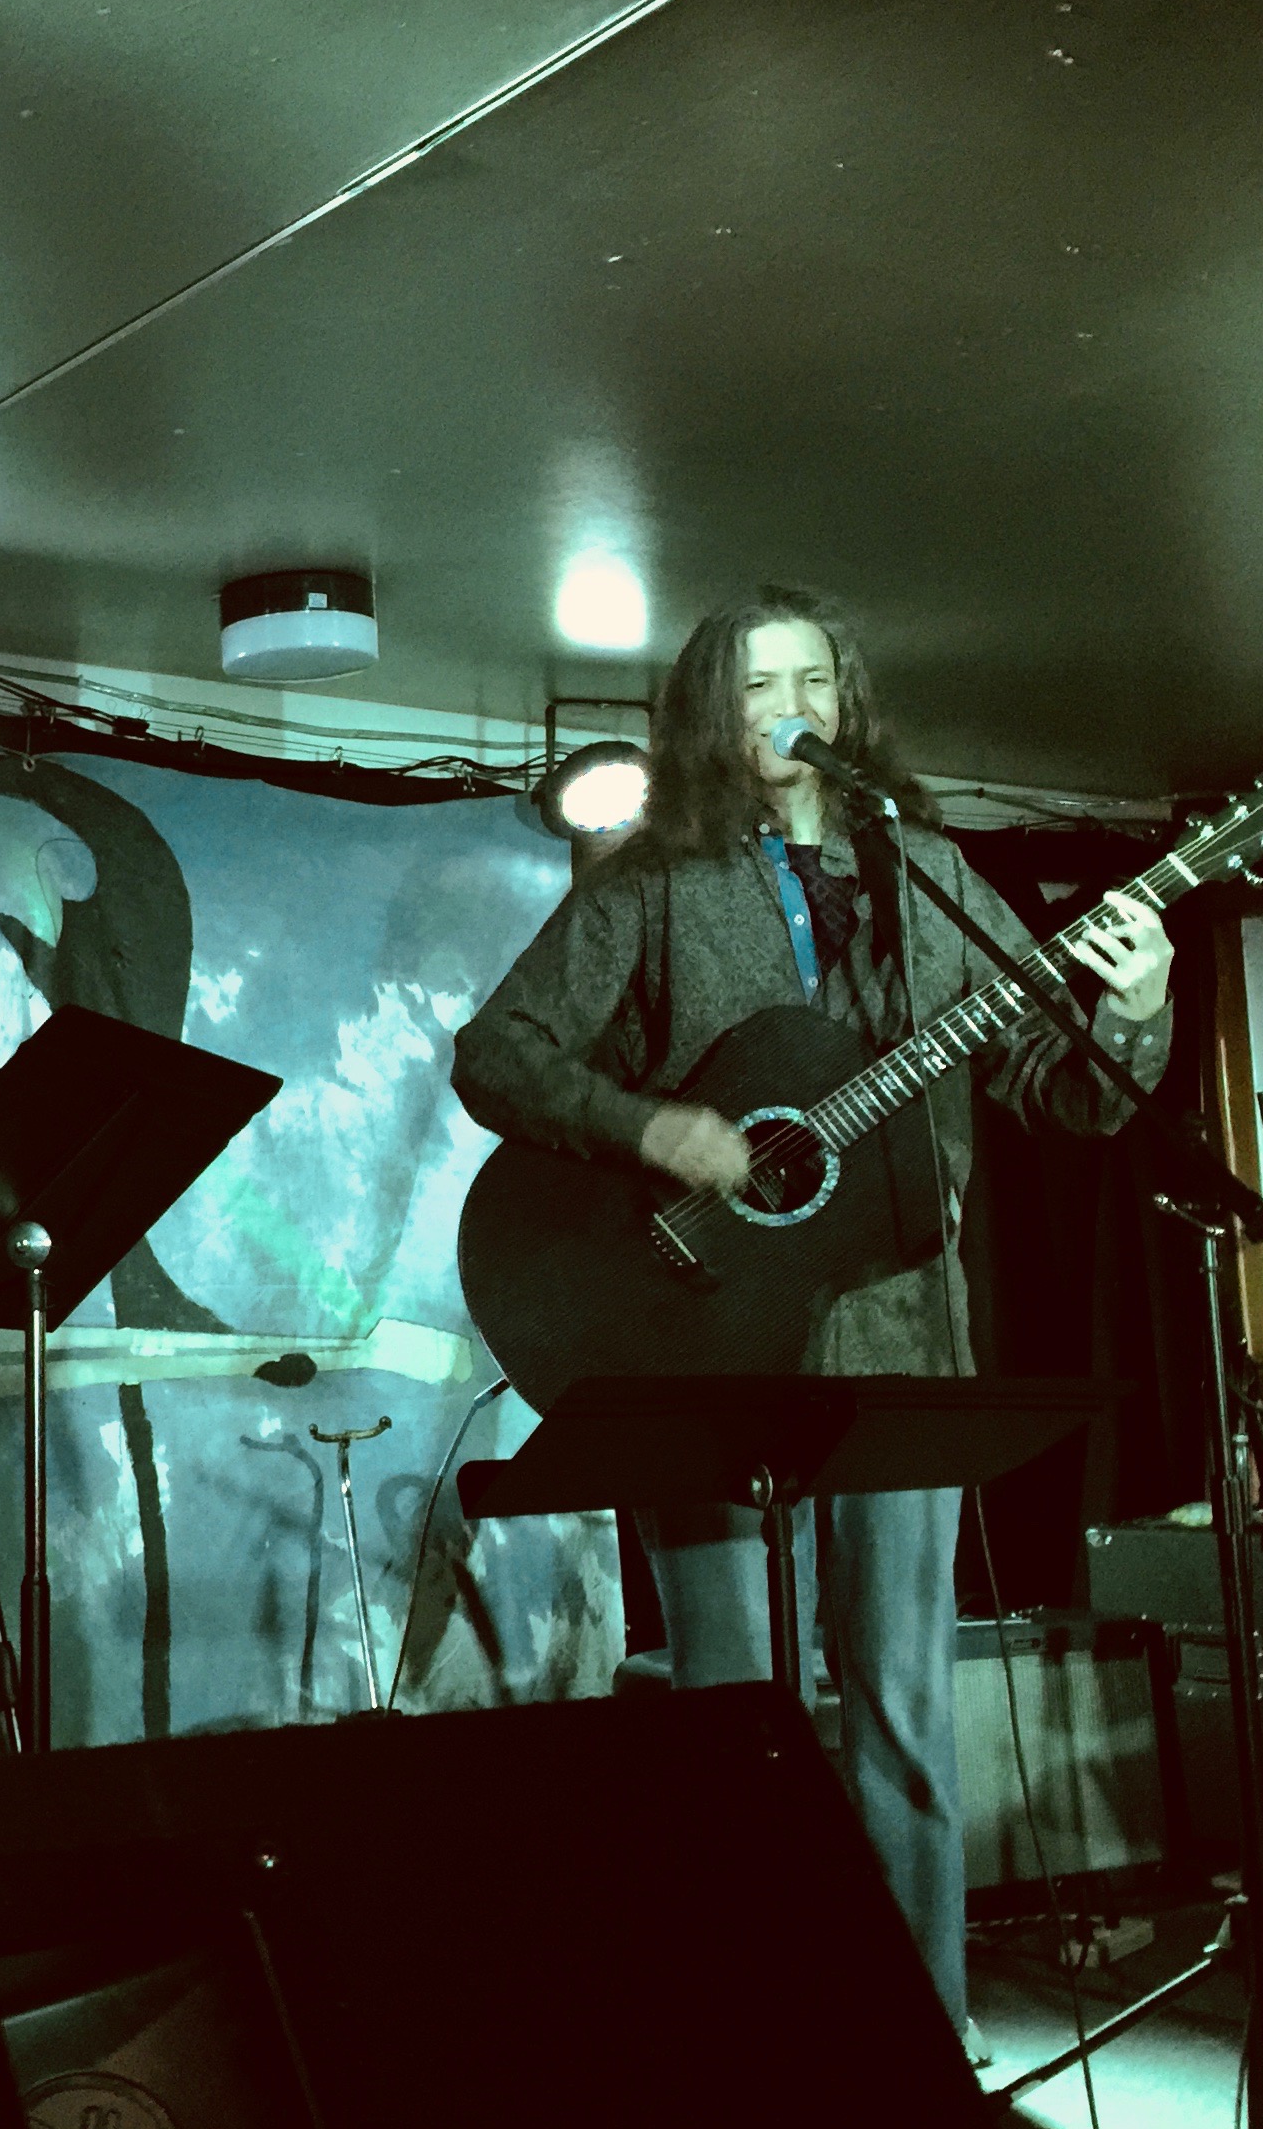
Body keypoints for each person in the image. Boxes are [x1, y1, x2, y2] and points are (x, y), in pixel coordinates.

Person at [450, 584, 1171, 2051]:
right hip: (702, 1339)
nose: (792, 707)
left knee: (907, 1706)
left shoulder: (932, 878)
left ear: (848, 707)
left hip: (898, 1346)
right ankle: (755, 2047)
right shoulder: (652, 885)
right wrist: (654, 1130)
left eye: (815, 681)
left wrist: (1137, 1008)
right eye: (759, 683)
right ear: (710, 714)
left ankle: (918, 2043)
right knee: (735, 1714)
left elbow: (1069, 1092)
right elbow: (496, 1055)